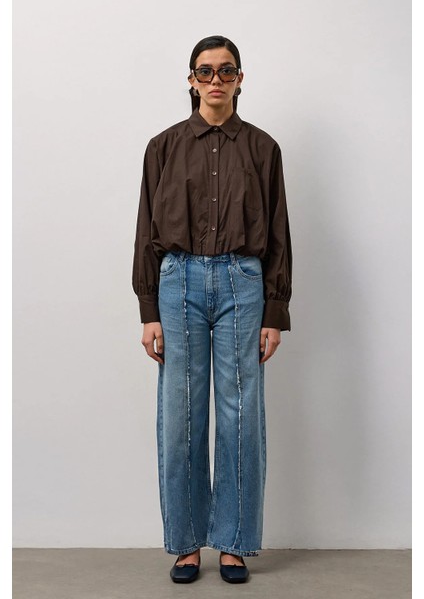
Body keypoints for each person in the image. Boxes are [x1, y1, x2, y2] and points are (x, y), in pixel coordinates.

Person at [132, 35, 292, 584]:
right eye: (205, 71)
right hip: (177, 282)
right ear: (191, 79)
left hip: (243, 284)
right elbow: (146, 229)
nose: (215, 80)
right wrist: (148, 308)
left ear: (240, 79)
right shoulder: (163, 147)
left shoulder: (264, 149)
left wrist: (275, 310)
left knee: (241, 415)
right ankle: (185, 543)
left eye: (226, 70)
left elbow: (278, 232)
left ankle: (233, 542)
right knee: (180, 416)